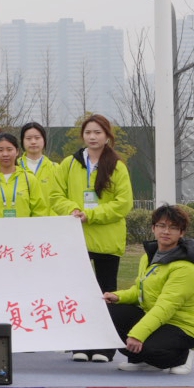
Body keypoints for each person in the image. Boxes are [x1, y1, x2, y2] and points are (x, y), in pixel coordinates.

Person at [55, 113, 134, 363]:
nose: (92, 137)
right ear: (82, 136)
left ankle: (105, 347)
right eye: (88, 132)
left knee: (105, 294)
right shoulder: (69, 164)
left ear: (107, 136)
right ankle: (79, 344)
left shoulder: (117, 166)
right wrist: (72, 210)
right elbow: (55, 195)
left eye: (98, 132)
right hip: (76, 241)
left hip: (107, 242)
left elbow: (123, 204)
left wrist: (91, 215)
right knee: (77, 294)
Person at [108, 205, 194, 375]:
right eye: (161, 226)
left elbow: (166, 307)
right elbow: (140, 290)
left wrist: (137, 335)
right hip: (155, 318)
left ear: (181, 233)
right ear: (153, 228)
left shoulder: (185, 268)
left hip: (181, 326)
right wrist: (117, 296)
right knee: (109, 312)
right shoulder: (147, 257)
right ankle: (141, 360)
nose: (166, 231)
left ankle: (182, 356)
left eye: (173, 227)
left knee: (150, 348)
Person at [0, 134, 48, 219]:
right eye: (0, 150)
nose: (5, 154)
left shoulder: (29, 179)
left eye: (9, 149)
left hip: (24, 227)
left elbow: (39, 211)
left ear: (17, 151)